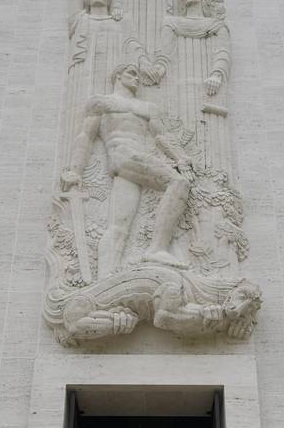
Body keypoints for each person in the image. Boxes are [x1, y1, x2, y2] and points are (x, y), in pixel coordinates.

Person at [65, 63, 193, 276]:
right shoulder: (102, 103)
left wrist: (181, 157)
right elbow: (86, 136)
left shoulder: (147, 108)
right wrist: (75, 171)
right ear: (117, 76)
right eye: (131, 73)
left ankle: (104, 279)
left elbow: (161, 136)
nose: (137, 78)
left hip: (134, 164)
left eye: (138, 75)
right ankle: (157, 249)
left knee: (119, 225)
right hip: (123, 156)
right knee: (178, 182)